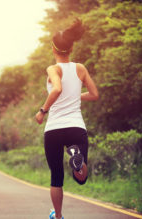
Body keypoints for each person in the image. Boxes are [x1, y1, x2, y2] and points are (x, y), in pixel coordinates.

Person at [35, 19, 99, 219]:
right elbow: (94, 94)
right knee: (81, 178)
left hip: (54, 129)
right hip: (75, 127)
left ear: (53, 49)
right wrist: (75, 97)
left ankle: (59, 216)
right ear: (71, 48)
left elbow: (57, 88)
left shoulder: (53, 69)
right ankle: (77, 163)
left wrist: (42, 110)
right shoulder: (80, 68)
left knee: (56, 177)